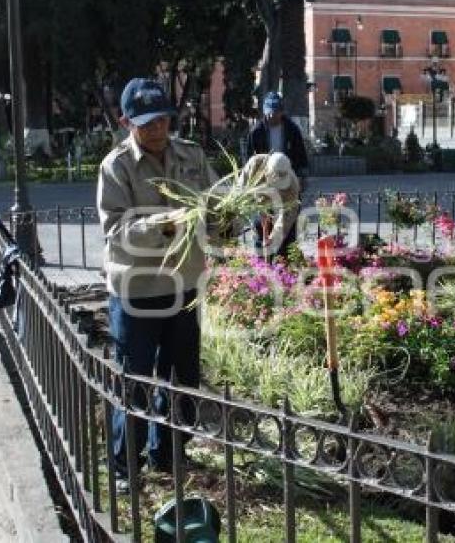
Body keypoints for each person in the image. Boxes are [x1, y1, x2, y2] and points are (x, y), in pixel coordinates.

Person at [97, 78, 219, 489]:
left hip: (183, 285)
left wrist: (230, 216)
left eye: (163, 120)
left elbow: (213, 203)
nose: (156, 130)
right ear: (126, 120)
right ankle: (123, 468)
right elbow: (116, 230)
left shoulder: (191, 155)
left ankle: (167, 454)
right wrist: (168, 223)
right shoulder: (116, 167)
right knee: (135, 381)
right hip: (138, 290)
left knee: (181, 378)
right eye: (146, 123)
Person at [248, 92, 308, 252]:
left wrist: (302, 175)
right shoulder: (256, 131)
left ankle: (286, 257)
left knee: (288, 221)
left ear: (282, 112)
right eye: (269, 112)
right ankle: (262, 258)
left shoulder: (292, 130)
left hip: (286, 179)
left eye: (276, 112)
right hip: (264, 182)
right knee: (261, 222)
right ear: (264, 111)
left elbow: (301, 155)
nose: (272, 116)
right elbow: (249, 160)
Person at [237, 152, 301, 258]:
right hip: (259, 203)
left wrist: (274, 236)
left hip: (282, 207)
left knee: (285, 243)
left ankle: (283, 269)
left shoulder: (293, 185)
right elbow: (240, 190)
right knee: (259, 231)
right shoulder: (255, 164)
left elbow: (287, 215)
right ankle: (261, 266)